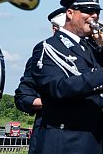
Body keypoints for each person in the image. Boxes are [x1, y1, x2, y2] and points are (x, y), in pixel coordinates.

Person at [32, 0, 103, 154]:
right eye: (87, 11)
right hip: (68, 140)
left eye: (97, 12)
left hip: (100, 139)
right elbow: (58, 88)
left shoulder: (94, 48)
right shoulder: (49, 47)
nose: (94, 16)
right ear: (70, 13)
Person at [17, 9, 64, 152]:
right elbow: (23, 97)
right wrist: (55, 103)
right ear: (54, 29)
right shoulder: (40, 59)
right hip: (49, 133)